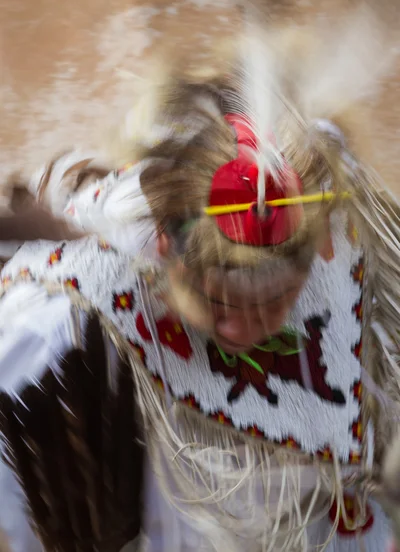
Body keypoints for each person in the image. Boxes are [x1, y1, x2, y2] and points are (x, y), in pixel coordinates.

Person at [1, 30, 400, 552]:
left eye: (276, 301)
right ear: (166, 243)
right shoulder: (59, 324)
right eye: (221, 302)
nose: (242, 329)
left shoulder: (335, 228)